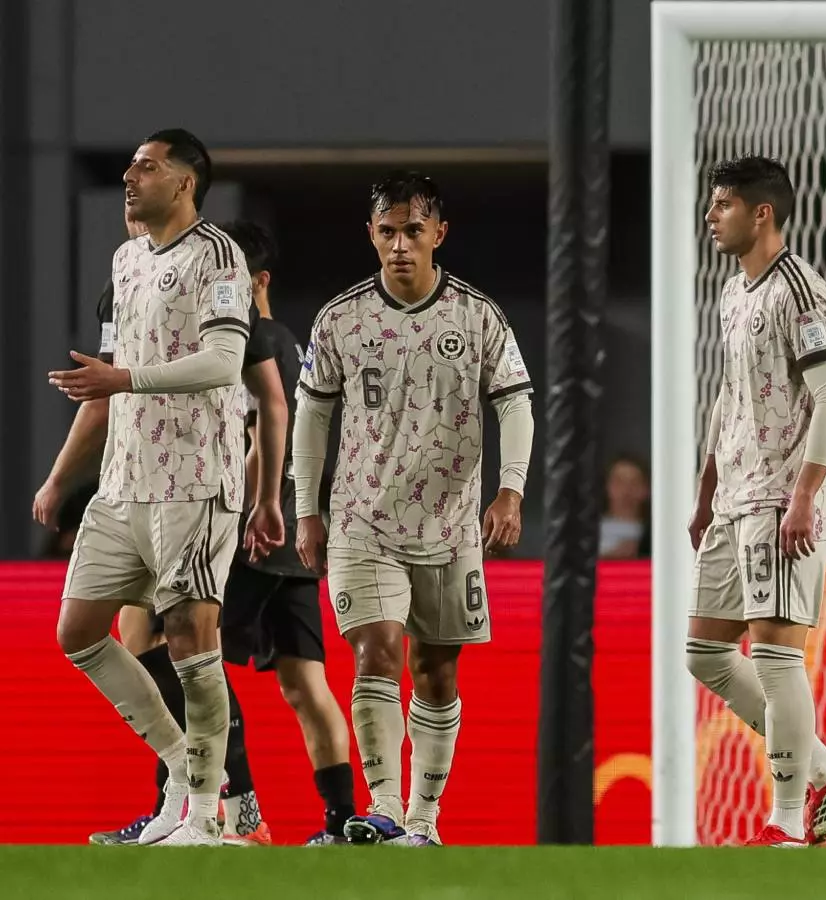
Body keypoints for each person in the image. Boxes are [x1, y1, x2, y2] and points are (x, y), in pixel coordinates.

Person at [292, 172, 535, 846]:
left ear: (439, 234)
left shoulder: (477, 315)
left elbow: (514, 400)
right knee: (376, 651)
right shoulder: (340, 318)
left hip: (451, 525)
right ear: (371, 234)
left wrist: (510, 488)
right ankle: (388, 807)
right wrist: (304, 507)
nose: (400, 243)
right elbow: (312, 413)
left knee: (437, 668)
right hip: (363, 520)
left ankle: (425, 822)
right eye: (388, 230)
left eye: (413, 230)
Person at [46, 128, 271, 846]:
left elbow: (222, 361)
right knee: (78, 633)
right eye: (129, 166)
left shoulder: (219, 256)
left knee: (188, 640)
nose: (128, 176)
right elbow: (108, 378)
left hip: (195, 481)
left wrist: (125, 380)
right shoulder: (126, 259)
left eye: (146, 166)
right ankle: (182, 767)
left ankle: (207, 815)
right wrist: (59, 477)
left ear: (185, 182)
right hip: (122, 484)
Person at [688, 156, 826, 847]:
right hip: (734, 498)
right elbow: (727, 396)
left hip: (780, 504)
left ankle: (787, 824)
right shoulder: (736, 291)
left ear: (761, 213)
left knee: (774, 655)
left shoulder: (801, 292)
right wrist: (706, 490)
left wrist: (803, 495)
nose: (712, 216)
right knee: (703, 652)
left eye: (724, 204)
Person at [213, 220, 359, 844]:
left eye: (228, 274)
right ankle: (343, 820)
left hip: (258, 529)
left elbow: (260, 435)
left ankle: (242, 812)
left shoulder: (255, 339)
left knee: (189, 659)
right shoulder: (296, 345)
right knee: (305, 683)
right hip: (300, 533)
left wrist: (250, 507)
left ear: (259, 280)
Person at [600, 455, 651, 559]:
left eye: (635, 482)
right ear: (607, 487)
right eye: (619, 482)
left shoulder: (656, 534)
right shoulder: (588, 533)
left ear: (646, 490)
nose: (626, 491)